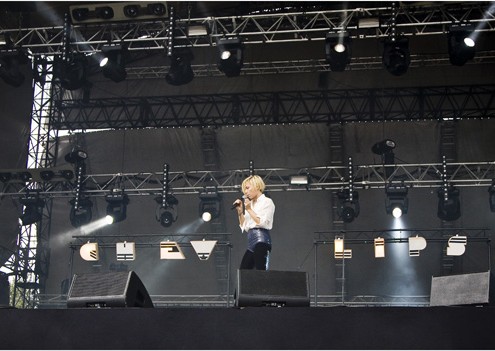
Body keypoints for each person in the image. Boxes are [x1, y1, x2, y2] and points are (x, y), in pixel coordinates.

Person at [232, 175, 275, 270]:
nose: (245, 192)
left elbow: (261, 222)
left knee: (260, 272)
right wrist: (240, 212)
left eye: (247, 188)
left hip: (262, 241)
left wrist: (249, 209)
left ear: (257, 186)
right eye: (244, 190)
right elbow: (245, 226)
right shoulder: (250, 205)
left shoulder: (267, 202)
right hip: (251, 242)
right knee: (243, 272)